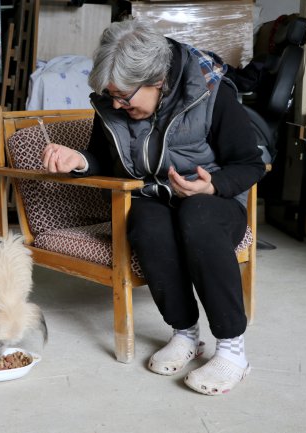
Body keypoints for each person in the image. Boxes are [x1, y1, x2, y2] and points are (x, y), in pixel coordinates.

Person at [41, 17, 266, 396]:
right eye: (112, 96)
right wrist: (78, 161)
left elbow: (250, 162)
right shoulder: (113, 104)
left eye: (125, 97)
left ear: (158, 81)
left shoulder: (210, 92)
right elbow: (103, 158)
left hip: (215, 202)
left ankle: (232, 349)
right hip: (154, 196)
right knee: (146, 222)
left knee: (197, 216)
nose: (116, 104)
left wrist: (213, 185)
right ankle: (185, 334)